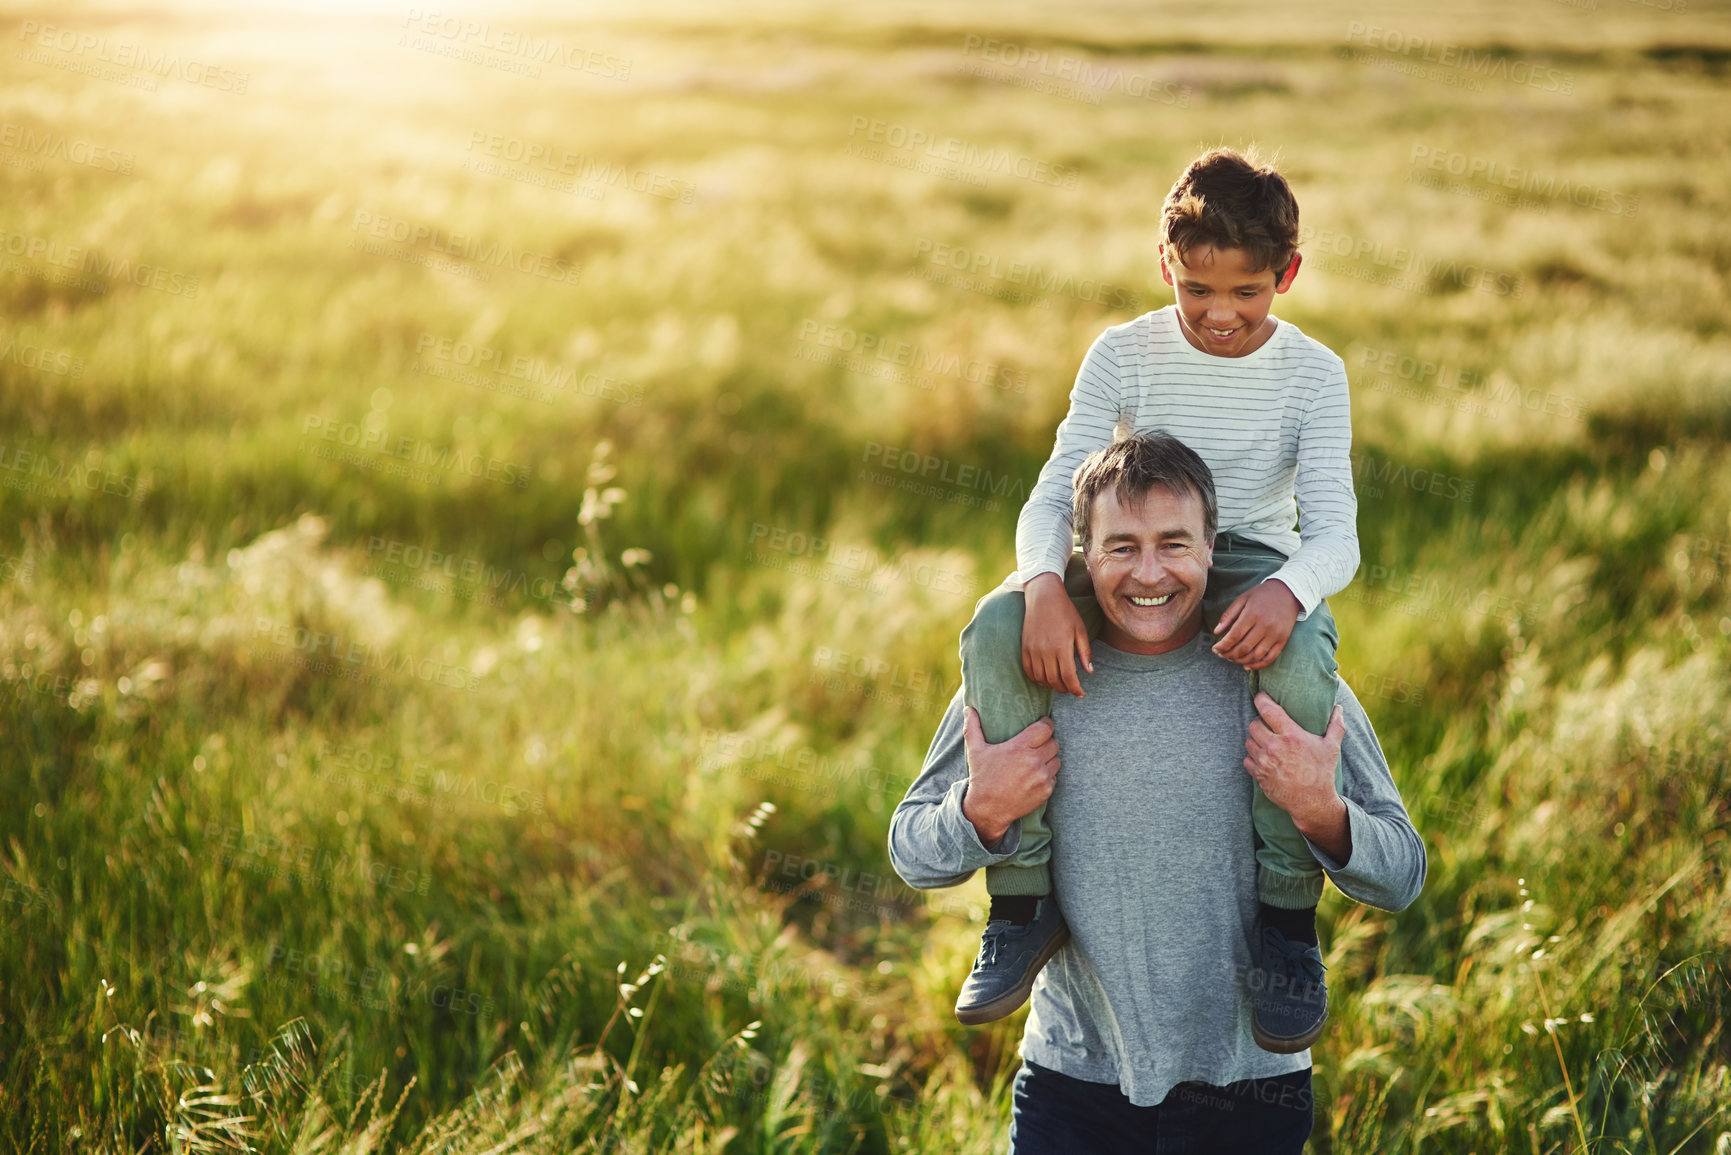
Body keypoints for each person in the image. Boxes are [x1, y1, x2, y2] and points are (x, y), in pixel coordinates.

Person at [888, 433, 1424, 1152]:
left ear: (1213, 546)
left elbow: (1402, 874)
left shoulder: (1275, 671)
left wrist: (1320, 810)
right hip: (1069, 1088)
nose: (1148, 573)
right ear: (1080, 551)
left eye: (1173, 543)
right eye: (1120, 546)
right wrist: (977, 811)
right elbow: (910, 847)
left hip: (1250, 1089)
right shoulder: (1029, 668)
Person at [952, 147, 1359, 1053]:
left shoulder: (1313, 373)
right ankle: (1021, 900)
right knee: (994, 624)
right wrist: (1046, 581)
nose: (1220, 315)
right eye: (1196, 292)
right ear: (1164, 267)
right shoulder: (1123, 352)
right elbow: (1055, 489)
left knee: (1296, 658)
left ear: (1285, 275)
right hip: (1139, 544)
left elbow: (1336, 531)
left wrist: (1288, 592)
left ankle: (1288, 923)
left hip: (1248, 557)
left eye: (1246, 293)